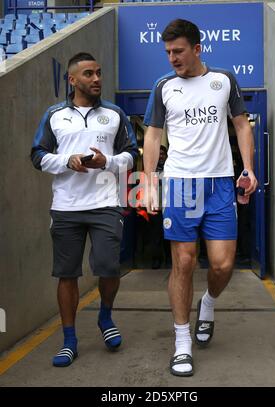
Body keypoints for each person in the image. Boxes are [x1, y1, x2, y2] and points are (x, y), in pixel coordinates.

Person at [143, 19, 257, 377]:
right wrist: (148, 181)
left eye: (178, 51)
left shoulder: (223, 81)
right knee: (184, 262)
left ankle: (207, 304)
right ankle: (181, 342)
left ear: (197, 48)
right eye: (167, 52)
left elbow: (241, 124)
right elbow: (152, 134)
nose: (172, 58)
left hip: (220, 184)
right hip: (180, 184)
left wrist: (248, 169)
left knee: (222, 265)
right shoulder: (164, 87)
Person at [31, 52, 137, 367]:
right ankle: (69, 340)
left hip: (106, 204)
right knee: (67, 274)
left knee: (108, 267)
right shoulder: (54, 115)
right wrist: (67, 160)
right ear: (72, 79)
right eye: (89, 74)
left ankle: (105, 317)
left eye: (99, 73)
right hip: (66, 207)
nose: (96, 79)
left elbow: (132, 153)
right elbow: (37, 155)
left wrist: (111, 162)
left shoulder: (115, 114)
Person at [149, 145, 171, 269]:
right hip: (156, 208)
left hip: (169, 207)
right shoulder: (151, 171)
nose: (161, 156)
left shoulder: (171, 169)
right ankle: (156, 259)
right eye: (159, 154)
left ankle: (169, 258)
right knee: (156, 235)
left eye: (163, 154)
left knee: (169, 234)